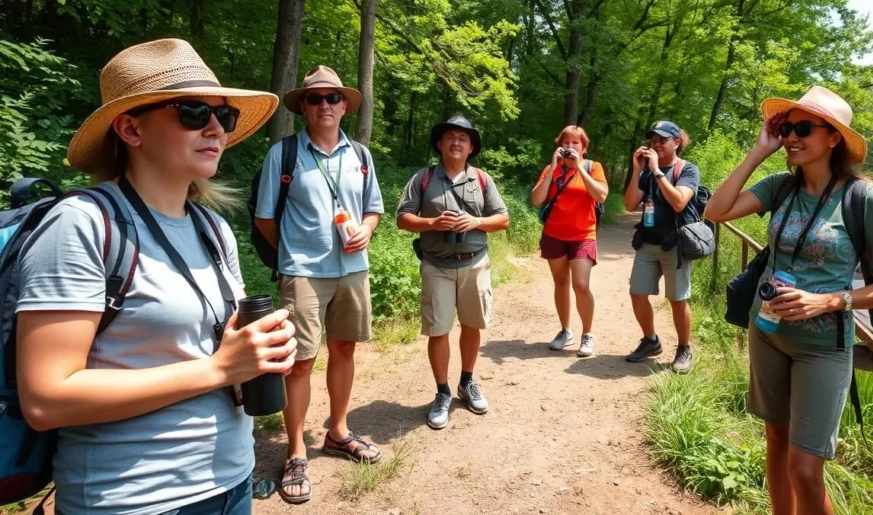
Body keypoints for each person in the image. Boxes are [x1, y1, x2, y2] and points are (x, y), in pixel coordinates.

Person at [15, 38, 298, 515]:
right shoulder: (81, 224)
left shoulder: (212, 228)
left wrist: (257, 353)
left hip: (230, 482)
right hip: (134, 498)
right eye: (192, 112)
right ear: (130, 128)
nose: (215, 128)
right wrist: (220, 369)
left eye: (223, 116)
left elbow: (215, 349)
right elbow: (46, 399)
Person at [704, 85, 873, 515]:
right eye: (786, 128)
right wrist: (759, 151)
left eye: (803, 128)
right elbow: (716, 211)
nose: (791, 137)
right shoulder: (780, 187)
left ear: (834, 137)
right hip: (768, 333)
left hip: (823, 348)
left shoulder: (863, 199)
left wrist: (830, 301)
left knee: (805, 468)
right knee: (775, 443)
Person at [254, 65, 385, 504]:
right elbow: (265, 218)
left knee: (344, 349)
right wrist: (294, 254)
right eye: (315, 99)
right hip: (303, 273)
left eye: (332, 98)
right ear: (303, 107)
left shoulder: (360, 156)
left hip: (353, 269)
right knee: (301, 362)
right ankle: (295, 451)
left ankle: (338, 431)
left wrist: (367, 230)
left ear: (345, 105)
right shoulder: (284, 154)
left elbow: (373, 209)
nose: (324, 105)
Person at [396, 115, 509, 430]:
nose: (456, 142)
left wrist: (475, 222)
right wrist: (432, 223)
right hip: (436, 265)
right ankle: (443, 392)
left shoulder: (483, 179)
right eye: (450, 137)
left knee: (472, 325)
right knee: (438, 330)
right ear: (439, 144)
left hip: (475, 263)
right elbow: (403, 219)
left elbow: (502, 219)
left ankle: (467, 382)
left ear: (471, 147)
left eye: (463, 137)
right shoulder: (423, 178)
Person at [623, 121, 701, 374]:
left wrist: (657, 171)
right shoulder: (645, 172)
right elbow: (630, 204)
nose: (655, 144)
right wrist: (637, 171)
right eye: (653, 140)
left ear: (676, 142)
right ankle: (651, 340)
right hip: (647, 241)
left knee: (677, 299)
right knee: (637, 293)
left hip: (675, 245)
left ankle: (684, 348)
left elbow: (679, 202)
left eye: (662, 140)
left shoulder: (688, 170)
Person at [529, 125, 608, 357]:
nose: (570, 147)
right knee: (561, 282)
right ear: (559, 146)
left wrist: (579, 169)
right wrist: (554, 167)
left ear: (584, 148)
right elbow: (536, 199)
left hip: (583, 234)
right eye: (566, 143)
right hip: (554, 234)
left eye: (576, 143)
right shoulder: (550, 169)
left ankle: (587, 334)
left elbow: (601, 195)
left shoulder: (593, 167)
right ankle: (565, 331)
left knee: (581, 285)